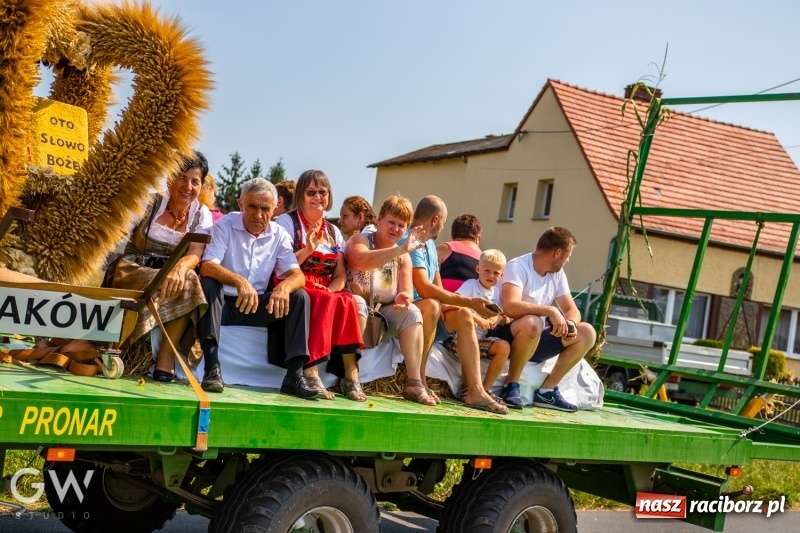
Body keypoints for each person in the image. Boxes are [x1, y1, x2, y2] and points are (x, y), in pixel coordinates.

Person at [197, 177, 319, 399]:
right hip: (223, 305)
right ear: (241, 204)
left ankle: (294, 376)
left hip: (255, 306)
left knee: (299, 296)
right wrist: (239, 281)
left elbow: (297, 276)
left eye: (265, 208)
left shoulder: (279, 234)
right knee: (209, 283)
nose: (259, 214)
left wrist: (283, 288)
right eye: (253, 206)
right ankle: (212, 368)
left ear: (275, 209)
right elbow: (207, 266)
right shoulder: (224, 225)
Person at [107, 151, 212, 384]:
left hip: (169, 273)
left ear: (202, 186)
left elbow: (196, 252)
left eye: (195, 181)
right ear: (169, 177)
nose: (188, 186)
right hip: (133, 269)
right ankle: (122, 346)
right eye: (182, 178)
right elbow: (118, 237)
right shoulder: (149, 202)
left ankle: (166, 355)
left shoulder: (201, 215)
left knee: (190, 279)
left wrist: (178, 269)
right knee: (173, 279)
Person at [405, 196, 508, 414]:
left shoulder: (432, 246)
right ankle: (418, 381)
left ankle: (475, 391)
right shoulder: (411, 241)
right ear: (435, 220)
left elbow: (439, 289)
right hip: (407, 308)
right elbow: (424, 288)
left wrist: (460, 307)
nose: (444, 226)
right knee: (434, 305)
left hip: (428, 309)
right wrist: (468, 301)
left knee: (463, 315)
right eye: (444, 221)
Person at [275, 170, 365, 401]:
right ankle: (311, 371)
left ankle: (350, 376)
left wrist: (332, 289)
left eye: (322, 192)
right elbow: (281, 266)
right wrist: (308, 248)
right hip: (294, 282)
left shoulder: (333, 231)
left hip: (325, 287)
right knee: (322, 299)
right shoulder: (286, 223)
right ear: (301, 195)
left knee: (347, 301)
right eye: (311, 192)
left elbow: (340, 275)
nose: (317, 197)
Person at [488, 227, 597, 412]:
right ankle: (511, 386)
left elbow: (572, 309)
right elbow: (510, 307)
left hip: (533, 338)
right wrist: (550, 312)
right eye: (568, 255)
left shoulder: (557, 275)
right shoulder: (518, 266)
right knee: (533, 322)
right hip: (504, 333)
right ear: (558, 253)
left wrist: (569, 324)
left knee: (587, 332)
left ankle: (547, 392)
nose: (568, 260)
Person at [345, 195, 436, 406]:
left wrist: (403, 299)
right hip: (354, 311)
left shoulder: (403, 257)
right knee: (356, 303)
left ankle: (414, 382)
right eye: (391, 222)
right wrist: (398, 250)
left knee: (413, 312)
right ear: (378, 220)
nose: (395, 229)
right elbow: (360, 260)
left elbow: (406, 293)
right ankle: (349, 377)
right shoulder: (361, 241)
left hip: (380, 316)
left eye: (401, 225)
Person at [442, 249, 511, 402]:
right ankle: (467, 390)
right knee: (470, 347)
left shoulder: (497, 294)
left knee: (504, 347)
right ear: (478, 269)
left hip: (481, 339)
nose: (491, 276)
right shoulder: (471, 285)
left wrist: (498, 318)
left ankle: (484, 389)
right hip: (458, 338)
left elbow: (508, 319)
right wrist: (478, 320)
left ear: (501, 275)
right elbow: (456, 305)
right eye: (487, 270)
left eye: (496, 273)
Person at [437, 214, 482, 292]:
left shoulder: (445, 248)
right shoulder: (484, 257)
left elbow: (428, 275)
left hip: (442, 299)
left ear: (452, 234)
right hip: (472, 302)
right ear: (478, 237)